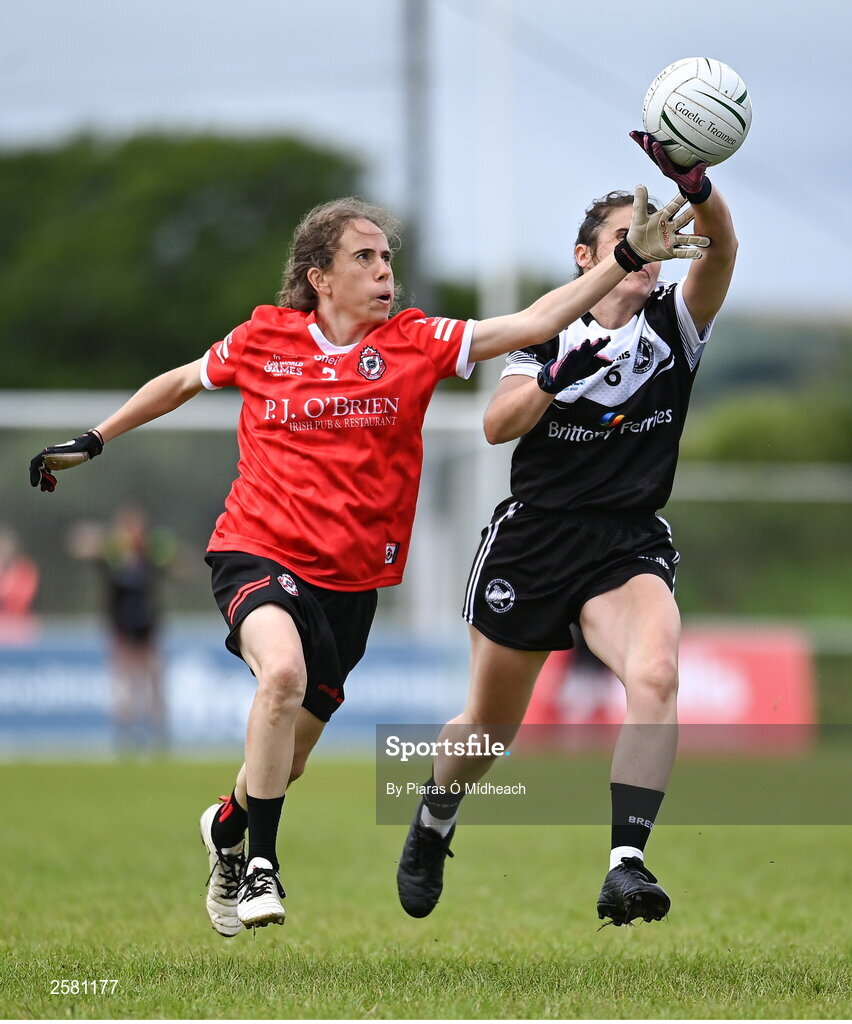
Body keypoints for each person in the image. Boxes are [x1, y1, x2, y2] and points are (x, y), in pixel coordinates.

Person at [29, 190, 706, 936]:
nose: (385, 270)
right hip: (255, 547)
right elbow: (183, 380)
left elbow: (535, 323)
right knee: (281, 676)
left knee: (286, 762)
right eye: (365, 257)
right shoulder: (264, 337)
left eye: (387, 257)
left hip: (350, 582)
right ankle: (261, 866)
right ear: (319, 277)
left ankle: (227, 826)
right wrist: (95, 438)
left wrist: (626, 258)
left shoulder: (415, 341)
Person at [396, 137, 737, 927]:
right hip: (537, 542)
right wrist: (556, 375)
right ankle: (436, 816)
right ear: (588, 256)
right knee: (489, 732)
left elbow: (722, 249)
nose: (648, 244)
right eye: (628, 234)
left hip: (627, 543)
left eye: (657, 231)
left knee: (656, 673)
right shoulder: (550, 327)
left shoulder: (674, 322)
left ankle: (626, 863)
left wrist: (696, 185)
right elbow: (496, 425)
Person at [68, 507, 177, 753]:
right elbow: (83, 546)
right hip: (122, 627)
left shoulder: (150, 554)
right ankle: (125, 736)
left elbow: (177, 565)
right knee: (124, 682)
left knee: (154, 680)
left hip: (147, 627)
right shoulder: (113, 555)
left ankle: (158, 735)